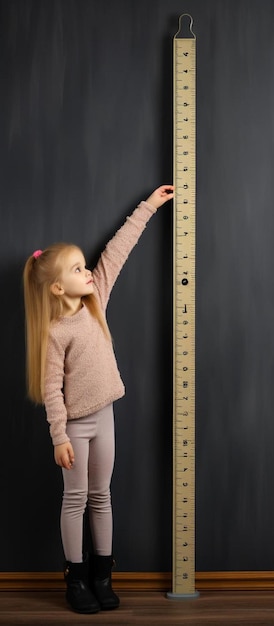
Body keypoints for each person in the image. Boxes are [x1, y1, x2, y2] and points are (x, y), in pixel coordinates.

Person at [23, 184, 174, 614]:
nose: (87, 271)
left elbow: (117, 250)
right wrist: (58, 437)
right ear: (56, 288)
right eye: (76, 269)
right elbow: (52, 389)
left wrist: (149, 206)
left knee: (101, 496)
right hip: (74, 425)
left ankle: (102, 574)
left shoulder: (96, 301)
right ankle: (75, 578)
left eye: (84, 266)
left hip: (104, 416)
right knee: (75, 499)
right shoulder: (55, 332)